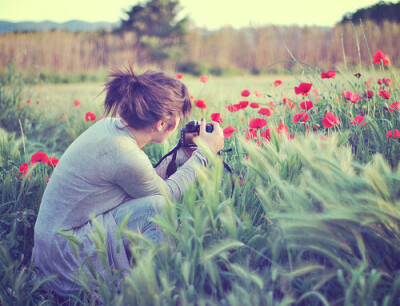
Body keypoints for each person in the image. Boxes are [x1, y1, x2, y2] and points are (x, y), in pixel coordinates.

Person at [32, 66, 225, 296]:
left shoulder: (111, 127)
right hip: (67, 255)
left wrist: (183, 153)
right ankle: (154, 289)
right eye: (177, 118)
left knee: (154, 203)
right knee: (159, 207)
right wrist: (205, 154)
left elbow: (146, 183)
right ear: (162, 124)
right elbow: (166, 194)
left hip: (54, 245)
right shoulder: (124, 153)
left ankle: (149, 284)